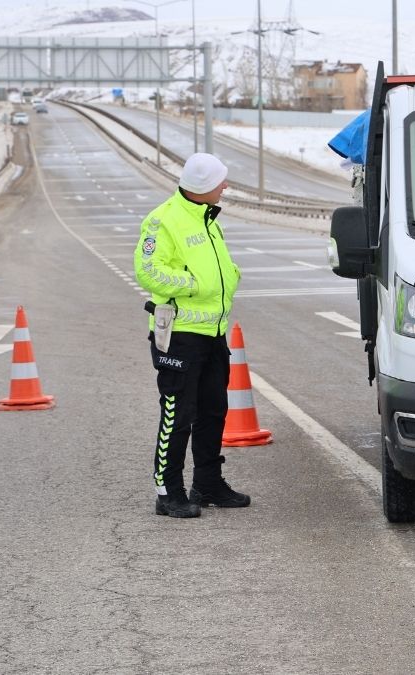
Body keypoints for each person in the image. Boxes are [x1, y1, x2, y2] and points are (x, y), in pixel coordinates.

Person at [134, 153, 250, 519]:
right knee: (177, 414)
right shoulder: (163, 220)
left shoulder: (206, 217)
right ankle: (168, 492)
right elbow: (148, 271)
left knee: (213, 410)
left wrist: (230, 274)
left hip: (212, 332)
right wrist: (195, 284)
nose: (225, 186)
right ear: (204, 185)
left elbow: (216, 266)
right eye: (221, 181)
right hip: (180, 335)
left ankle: (208, 484)